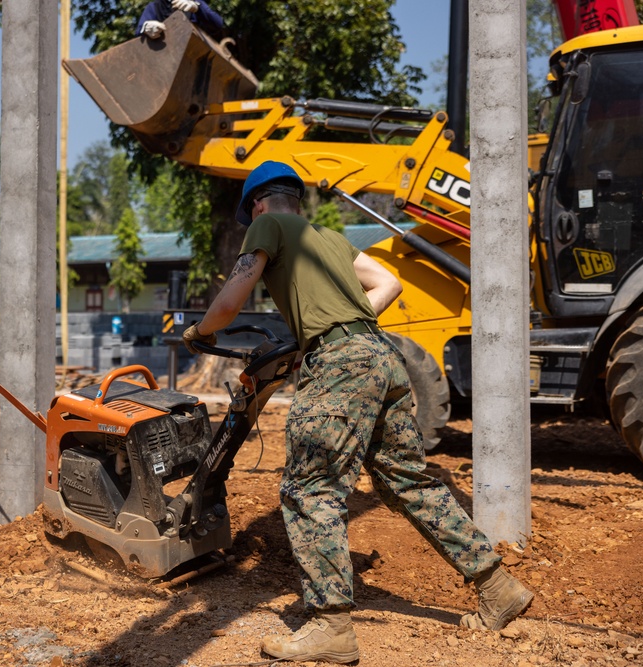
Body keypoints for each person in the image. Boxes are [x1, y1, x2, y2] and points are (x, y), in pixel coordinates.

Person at [182, 161, 534, 663]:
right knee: (407, 480)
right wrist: (341, 325)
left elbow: (230, 301)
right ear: (297, 199)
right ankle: (497, 587)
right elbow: (389, 283)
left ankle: (330, 625)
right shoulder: (329, 237)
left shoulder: (267, 225)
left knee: (309, 488)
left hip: (341, 364)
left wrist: (201, 331)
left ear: (258, 204)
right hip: (382, 357)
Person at [137, 0, 224, 41]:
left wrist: (197, 8)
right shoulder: (154, 6)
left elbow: (218, 24)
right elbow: (138, 32)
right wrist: (146, 28)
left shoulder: (195, 2)